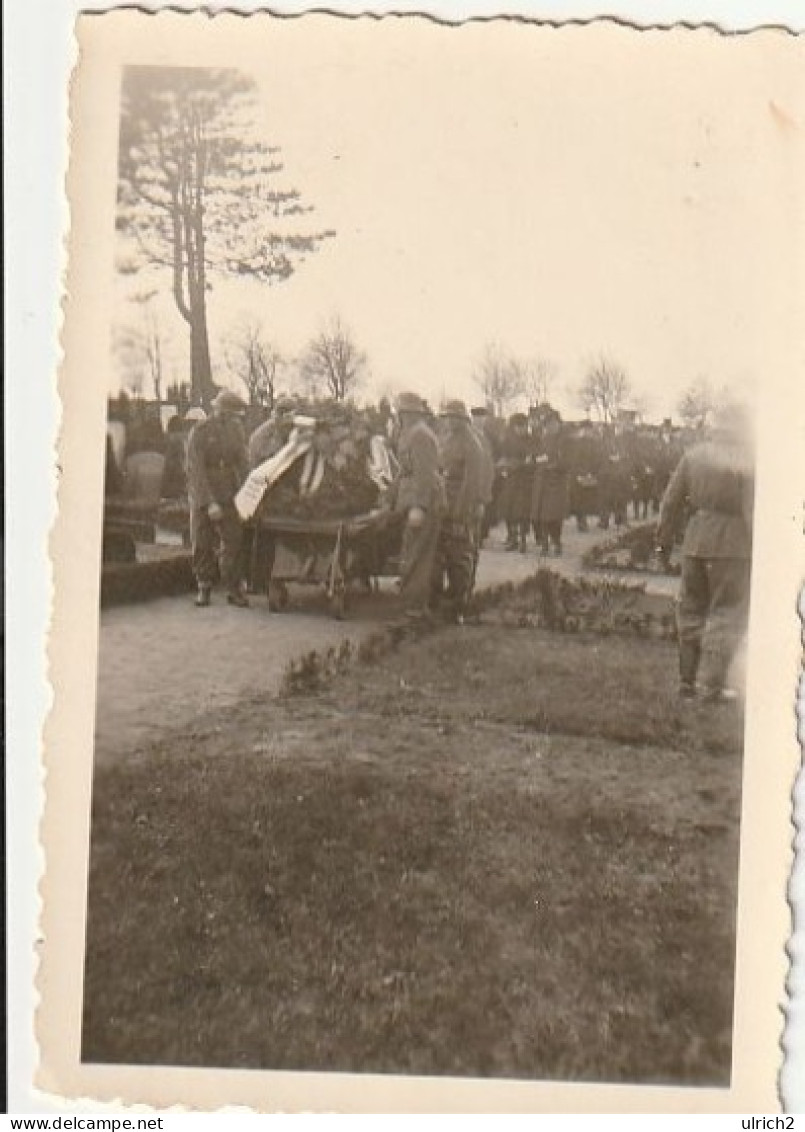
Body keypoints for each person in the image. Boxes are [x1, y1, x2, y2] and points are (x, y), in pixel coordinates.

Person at [656, 403, 754, 701]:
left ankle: (686, 683)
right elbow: (751, 509)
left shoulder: (694, 455)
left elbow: (670, 502)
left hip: (696, 541)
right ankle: (713, 686)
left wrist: (663, 543)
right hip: (732, 544)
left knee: (691, 609)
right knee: (727, 612)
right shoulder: (747, 461)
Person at [186, 388, 250, 608]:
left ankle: (233, 588)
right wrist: (209, 502)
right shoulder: (200, 431)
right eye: (228, 413)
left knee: (233, 541)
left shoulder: (236, 430)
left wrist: (248, 492)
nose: (231, 418)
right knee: (202, 541)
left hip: (229, 491)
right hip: (204, 491)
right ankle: (203, 586)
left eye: (234, 415)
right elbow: (196, 470)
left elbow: (242, 461)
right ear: (218, 410)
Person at [389, 391, 445, 620]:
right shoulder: (411, 434)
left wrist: (419, 507)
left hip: (422, 505)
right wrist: (390, 494)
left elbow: (425, 475)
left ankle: (414, 610)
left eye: (400, 412)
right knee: (412, 554)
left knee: (417, 557)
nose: (398, 417)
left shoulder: (420, 436)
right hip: (412, 502)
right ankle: (414, 605)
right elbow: (404, 472)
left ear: (406, 413)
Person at [435, 400, 485, 621]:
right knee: (442, 555)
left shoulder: (471, 443)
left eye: (455, 417)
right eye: (448, 417)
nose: (451, 420)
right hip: (444, 505)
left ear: (464, 419)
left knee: (460, 558)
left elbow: (471, 482)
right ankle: (445, 601)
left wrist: (460, 512)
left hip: (461, 508)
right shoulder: (447, 439)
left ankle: (460, 605)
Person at [530, 408, 570, 555]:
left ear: (559, 424)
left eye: (553, 423)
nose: (551, 427)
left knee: (555, 516)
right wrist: (539, 461)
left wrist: (554, 464)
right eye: (548, 424)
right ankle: (545, 543)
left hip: (557, 482)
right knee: (542, 516)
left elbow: (568, 461)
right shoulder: (542, 439)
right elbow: (535, 457)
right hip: (542, 482)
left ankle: (557, 541)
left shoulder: (565, 441)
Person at [498, 412, 534, 552]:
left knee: (523, 512)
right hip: (510, 479)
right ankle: (512, 536)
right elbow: (503, 457)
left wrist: (521, 464)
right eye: (518, 427)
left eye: (524, 426)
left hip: (526, 481)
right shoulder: (507, 441)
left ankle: (523, 539)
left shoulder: (531, 440)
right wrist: (504, 467)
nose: (521, 429)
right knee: (509, 509)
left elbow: (532, 460)